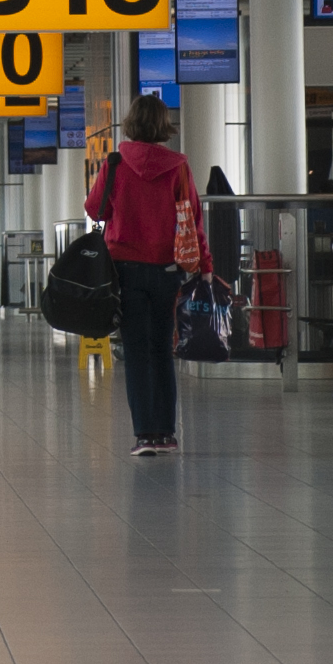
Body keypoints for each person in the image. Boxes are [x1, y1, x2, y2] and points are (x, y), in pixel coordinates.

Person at [86, 95, 197, 457]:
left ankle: (144, 436)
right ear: (163, 125)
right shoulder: (178, 167)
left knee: (136, 353)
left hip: (126, 271)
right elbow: (193, 218)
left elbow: (93, 207)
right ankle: (167, 433)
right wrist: (204, 267)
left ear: (131, 122)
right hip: (168, 270)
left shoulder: (115, 164)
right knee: (162, 351)